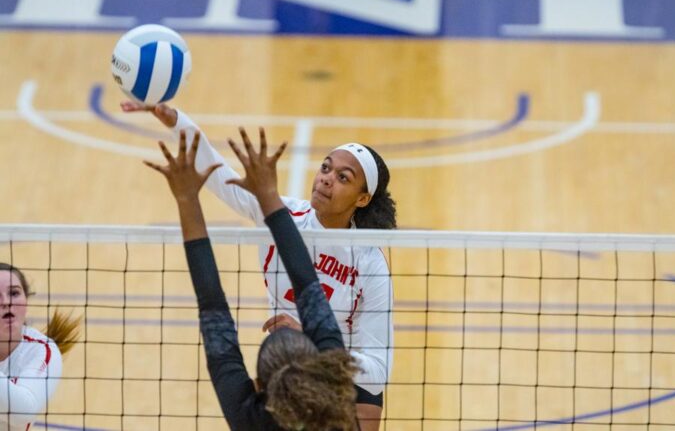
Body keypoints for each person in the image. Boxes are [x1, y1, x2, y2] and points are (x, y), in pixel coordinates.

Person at [123, 101, 395, 430]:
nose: (326, 180)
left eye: (342, 177)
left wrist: (311, 340)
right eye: (325, 168)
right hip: (288, 364)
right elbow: (219, 176)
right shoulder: (283, 216)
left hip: (343, 371)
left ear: (362, 199)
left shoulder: (369, 261)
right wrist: (178, 122)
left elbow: (378, 371)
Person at [0, 263, 80, 430]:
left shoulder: (40, 350)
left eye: (14, 293)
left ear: (26, 300)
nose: (6, 302)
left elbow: (23, 412)